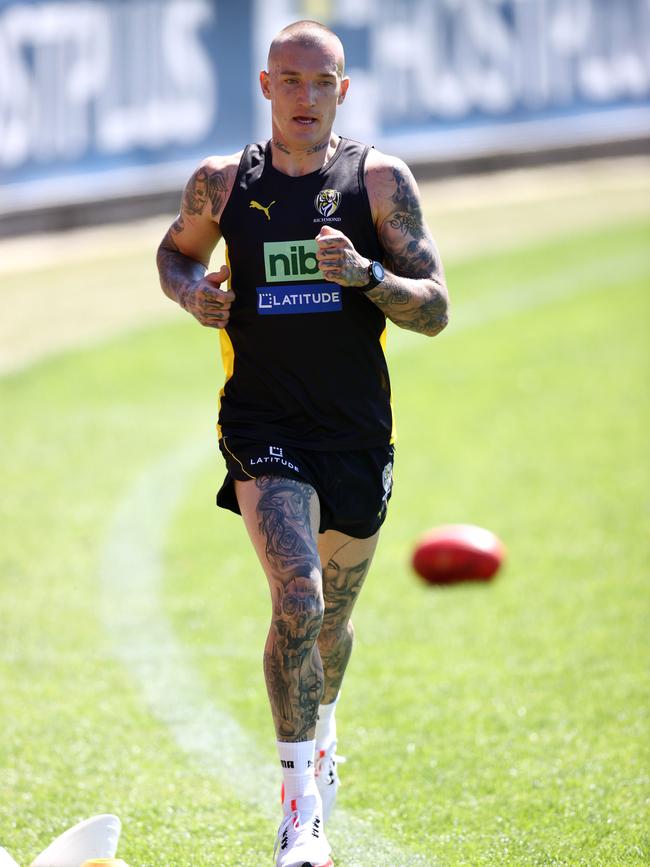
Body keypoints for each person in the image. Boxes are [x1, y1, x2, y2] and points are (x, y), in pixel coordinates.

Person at [156, 19, 449, 867]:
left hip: (357, 434)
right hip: (263, 426)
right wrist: (191, 296)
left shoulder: (381, 182)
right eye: (290, 81)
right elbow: (174, 257)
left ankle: (321, 731)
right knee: (300, 600)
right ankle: (301, 810)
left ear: (344, 92)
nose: (306, 98)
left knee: (332, 628)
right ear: (264, 85)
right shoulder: (222, 182)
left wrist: (366, 276)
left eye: (323, 83)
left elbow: (435, 307)